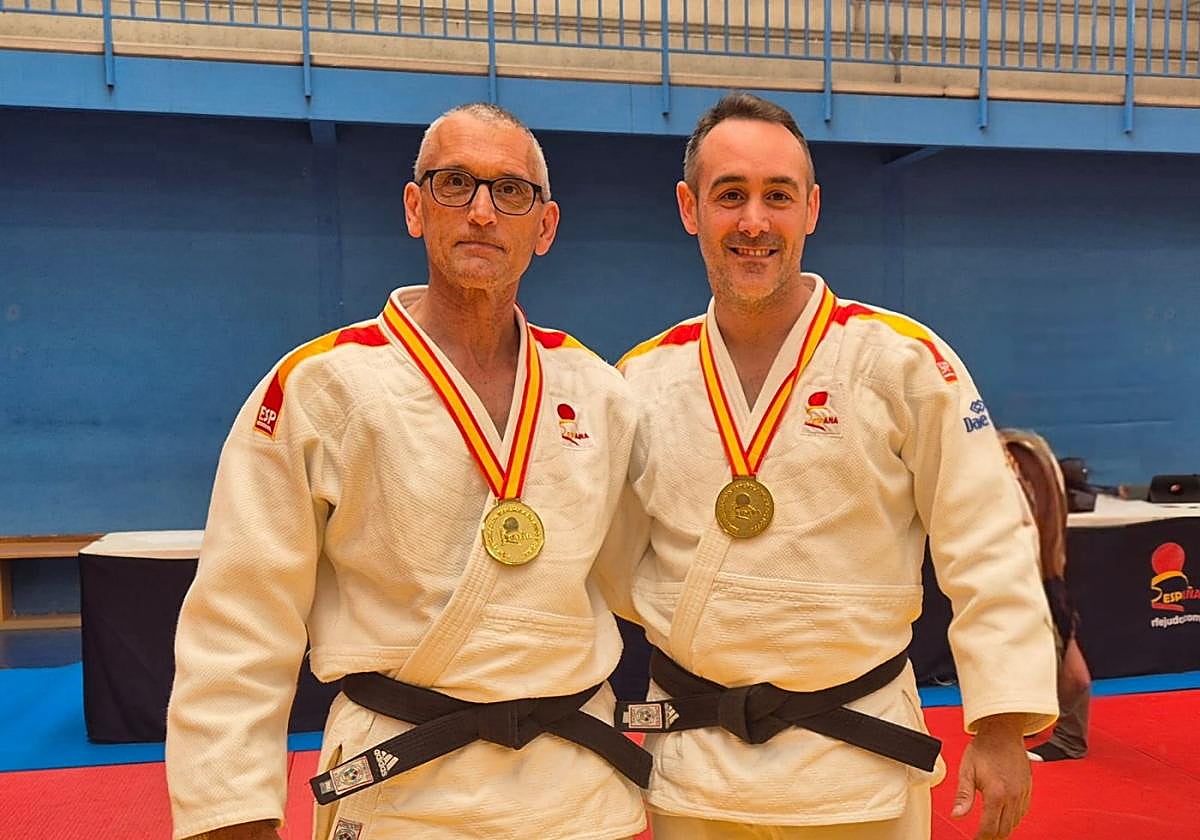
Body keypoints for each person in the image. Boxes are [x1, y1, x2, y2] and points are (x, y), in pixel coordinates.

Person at [165, 103, 649, 840]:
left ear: (545, 226)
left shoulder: (598, 391)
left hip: (576, 793)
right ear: (415, 208)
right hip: (401, 790)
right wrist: (231, 813)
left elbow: (646, 575)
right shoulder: (321, 386)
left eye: (510, 191)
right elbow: (240, 615)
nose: (482, 211)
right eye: (455, 183)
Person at [595, 92, 1058, 840]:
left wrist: (1001, 722)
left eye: (778, 196)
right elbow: (614, 564)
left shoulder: (904, 361)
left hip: (860, 760)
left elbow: (988, 542)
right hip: (697, 762)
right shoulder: (641, 380)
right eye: (730, 195)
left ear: (811, 209)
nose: (754, 221)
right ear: (689, 209)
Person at [998, 429, 1093, 763]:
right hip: (1036, 574)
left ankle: (1068, 739)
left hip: (1044, 578)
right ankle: (1040, 722)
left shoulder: (1032, 481)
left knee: (1068, 664)